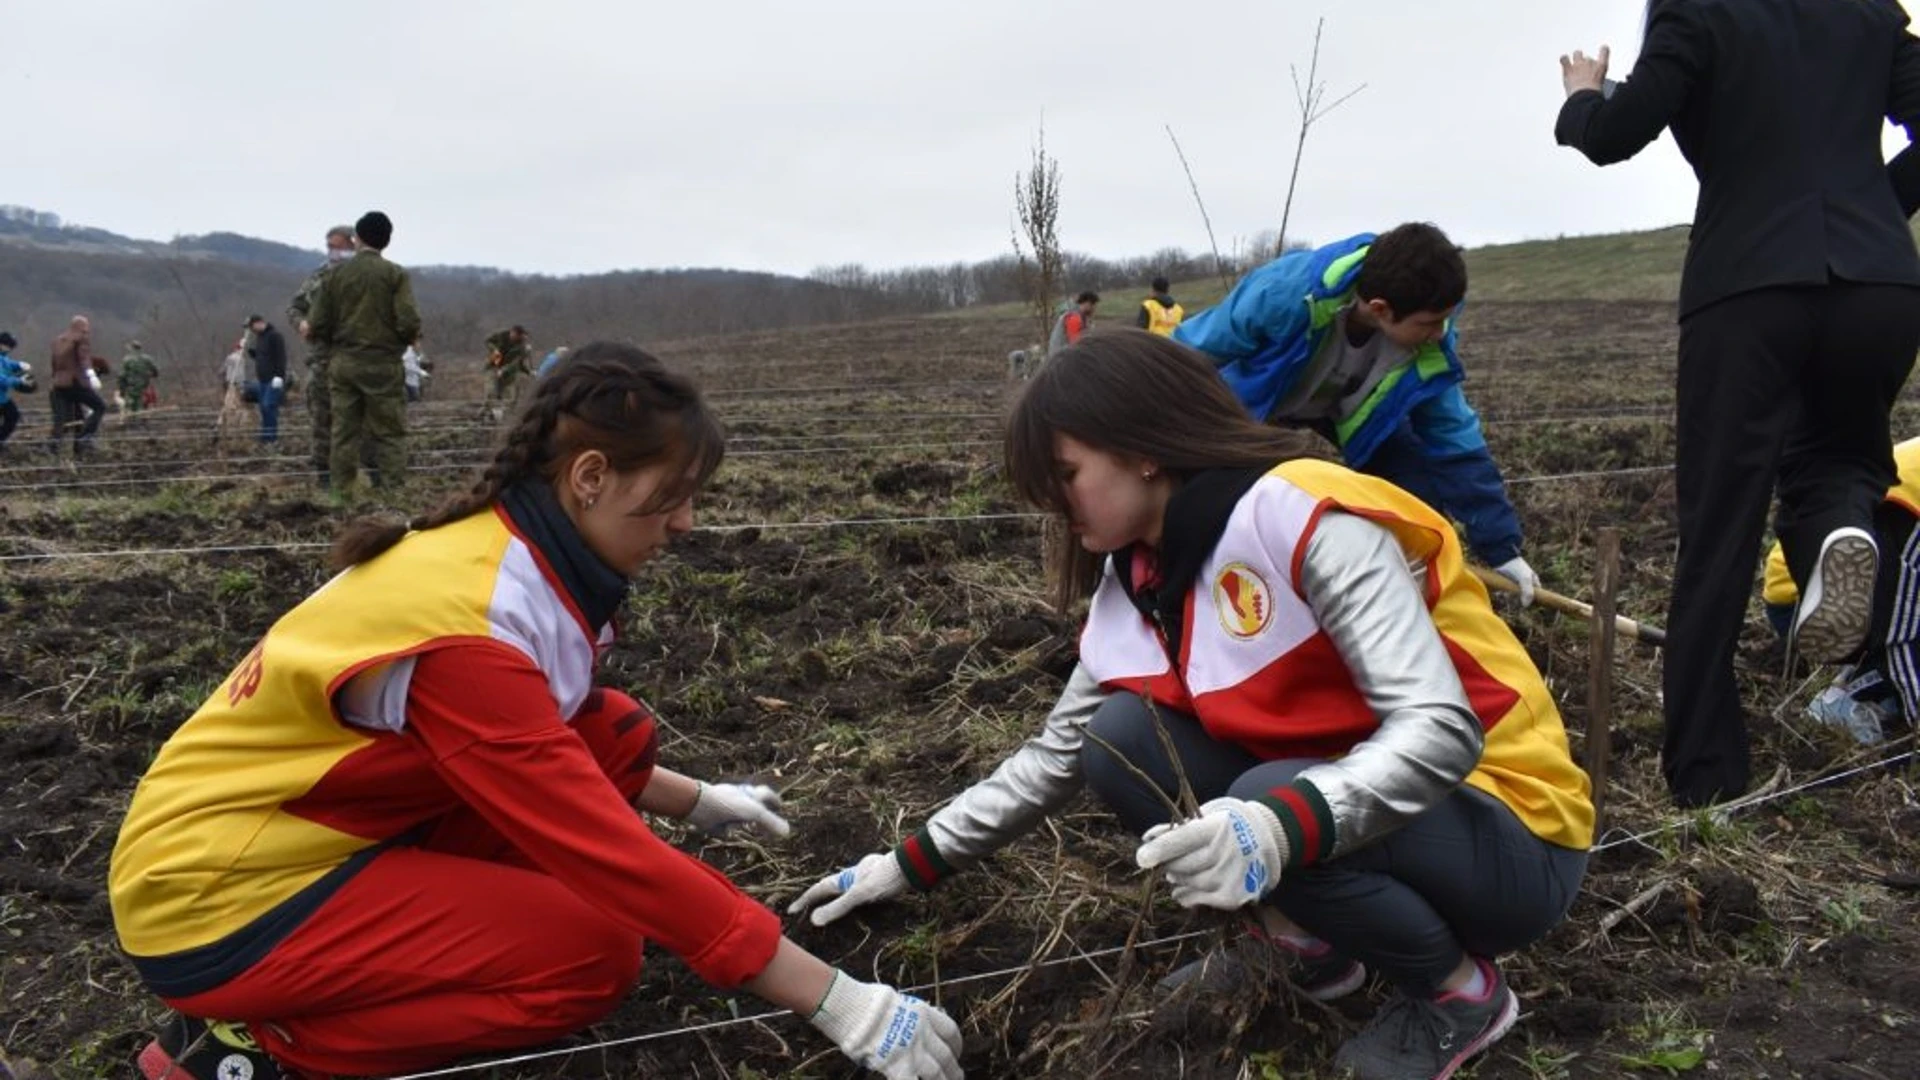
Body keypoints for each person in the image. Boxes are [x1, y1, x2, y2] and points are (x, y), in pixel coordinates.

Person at [113, 343, 964, 1080]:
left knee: (611, 730)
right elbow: (596, 841)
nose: (685, 522)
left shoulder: (505, 557)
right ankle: (263, 1044)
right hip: (215, 898)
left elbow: (558, 747)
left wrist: (701, 801)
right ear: (591, 477)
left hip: (310, 829)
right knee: (589, 957)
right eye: (671, 495)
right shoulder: (466, 631)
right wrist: (839, 1003)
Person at [792, 331, 1592, 1080]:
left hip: (1510, 833)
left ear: (1141, 450)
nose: (1053, 503)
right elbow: (1055, 756)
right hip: (1374, 812)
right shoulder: (1141, 580)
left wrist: (1277, 826)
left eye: (1065, 474)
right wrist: (906, 862)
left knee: (1261, 801)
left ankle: (1461, 996)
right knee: (1118, 736)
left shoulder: (1303, 518)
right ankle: (1310, 948)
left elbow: (1442, 731)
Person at [1554, 1, 1920, 807]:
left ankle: (1709, 774)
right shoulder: (1868, 11)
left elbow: (1619, 136)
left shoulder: (1698, 8)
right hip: (1881, 288)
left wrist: (1583, 99)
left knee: (1720, 525)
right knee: (1840, 458)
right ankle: (1839, 527)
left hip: (1747, 286)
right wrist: (1877, 211)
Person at [1172, 223, 1541, 603]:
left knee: (1415, 493)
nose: (1440, 332)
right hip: (1260, 402)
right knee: (1229, 496)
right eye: (1429, 323)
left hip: (1349, 410)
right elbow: (1190, 352)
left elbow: (1453, 438)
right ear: (1380, 309)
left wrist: (1503, 551)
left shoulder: (1430, 339)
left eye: (1444, 319)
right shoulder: (1284, 292)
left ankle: (1411, 595)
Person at [1760, 435, 1920, 745]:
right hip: (1809, 594)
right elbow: (1905, 613)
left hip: (1872, 573)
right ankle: (1850, 698)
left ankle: (1877, 685)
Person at [307, 211, 423, 500]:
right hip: (383, 363)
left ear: (357, 239)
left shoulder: (334, 275)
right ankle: (392, 492)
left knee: (343, 431)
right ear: (387, 241)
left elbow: (317, 322)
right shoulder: (395, 274)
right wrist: (400, 340)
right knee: (389, 432)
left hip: (344, 363)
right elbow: (409, 320)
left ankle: (341, 493)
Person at [289, 225, 357, 484]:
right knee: (321, 421)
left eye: (337, 246)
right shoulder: (319, 275)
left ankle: (372, 482)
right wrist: (302, 323)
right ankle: (326, 481)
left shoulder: (368, 275)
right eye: (329, 246)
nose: (332, 251)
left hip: (357, 358)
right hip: (323, 359)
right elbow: (294, 307)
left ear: (353, 245)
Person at [48, 315, 108, 456]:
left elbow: (54, 364)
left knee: (64, 419)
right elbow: (84, 358)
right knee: (100, 406)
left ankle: (54, 448)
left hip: (59, 385)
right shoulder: (80, 339)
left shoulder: (58, 340)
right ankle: (85, 438)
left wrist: (55, 379)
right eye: (86, 328)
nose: (87, 332)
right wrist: (91, 375)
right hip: (76, 382)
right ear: (83, 328)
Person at [246, 316, 288, 444]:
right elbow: (261, 356)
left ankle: (271, 438)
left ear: (259, 323)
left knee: (268, 406)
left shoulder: (275, 336)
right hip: (263, 379)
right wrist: (249, 350)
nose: (251, 330)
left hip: (273, 379)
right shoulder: (260, 338)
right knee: (264, 409)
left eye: (252, 326)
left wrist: (279, 376)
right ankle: (265, 436)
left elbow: (281, 357)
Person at [485, 325, 534, 418]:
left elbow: (516, 363)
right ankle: (486, 413)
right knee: (491, 391)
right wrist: (494, 349)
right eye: (513, 334)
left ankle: (507, 415)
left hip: (509, 371)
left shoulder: (522, 347)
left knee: (511, 394)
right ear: (512, 332)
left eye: (518, 336)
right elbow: (488, 341)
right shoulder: (502, 335)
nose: (514, 336)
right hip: (493, 366)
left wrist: (504, 370)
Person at [0, 332, 34, 454]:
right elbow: (1, 379)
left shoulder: (3, 356)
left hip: (2, 398)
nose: (10, 349)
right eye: (9, 346)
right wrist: (19, 381)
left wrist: (19, 365)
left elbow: (7, 364)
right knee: (11, 416)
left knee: (12, 416)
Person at [1047, 293, 1098, 358]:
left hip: (1064, 355)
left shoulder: (1081, 317)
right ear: (1086, 303)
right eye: (1092, 305)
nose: (1094, 308)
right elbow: (1075, 343)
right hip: (1061, 358)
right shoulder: (1074, 317)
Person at [118, 340, 160, 414]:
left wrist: (122, 390)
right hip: (144, 385)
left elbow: (122, 376)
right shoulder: (147, 358)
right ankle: (142, 419)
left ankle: (134, 420)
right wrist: (150, 375)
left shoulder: (127, 359)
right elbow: (155, 371)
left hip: (131, 386)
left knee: (132, 406)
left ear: (131, 348)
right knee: (144, 403)